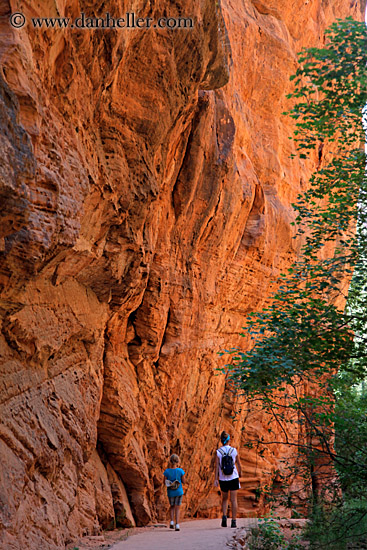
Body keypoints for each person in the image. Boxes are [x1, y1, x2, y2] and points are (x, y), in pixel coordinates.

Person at [214, 431, 242, 528]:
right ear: (229, 440)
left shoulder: (218, 452)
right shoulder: (234, 450)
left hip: (223, 478)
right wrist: (240, 473)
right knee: (234, 500)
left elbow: (217, 466)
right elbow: (238, 463)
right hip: (233, 477)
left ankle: (224, 517)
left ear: (221, 441)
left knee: (225, 499)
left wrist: (215, 479)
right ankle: (234, 521)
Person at [163, 454, 186, 531]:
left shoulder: (167, 471)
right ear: (178, 461)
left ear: (170, 461)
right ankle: (177, 525)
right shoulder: (180, 471)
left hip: (170, 492)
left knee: (172, 506)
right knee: (177, 508)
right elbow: (184, 481)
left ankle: (172, 521)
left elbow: (164, 482)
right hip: (179, 491)